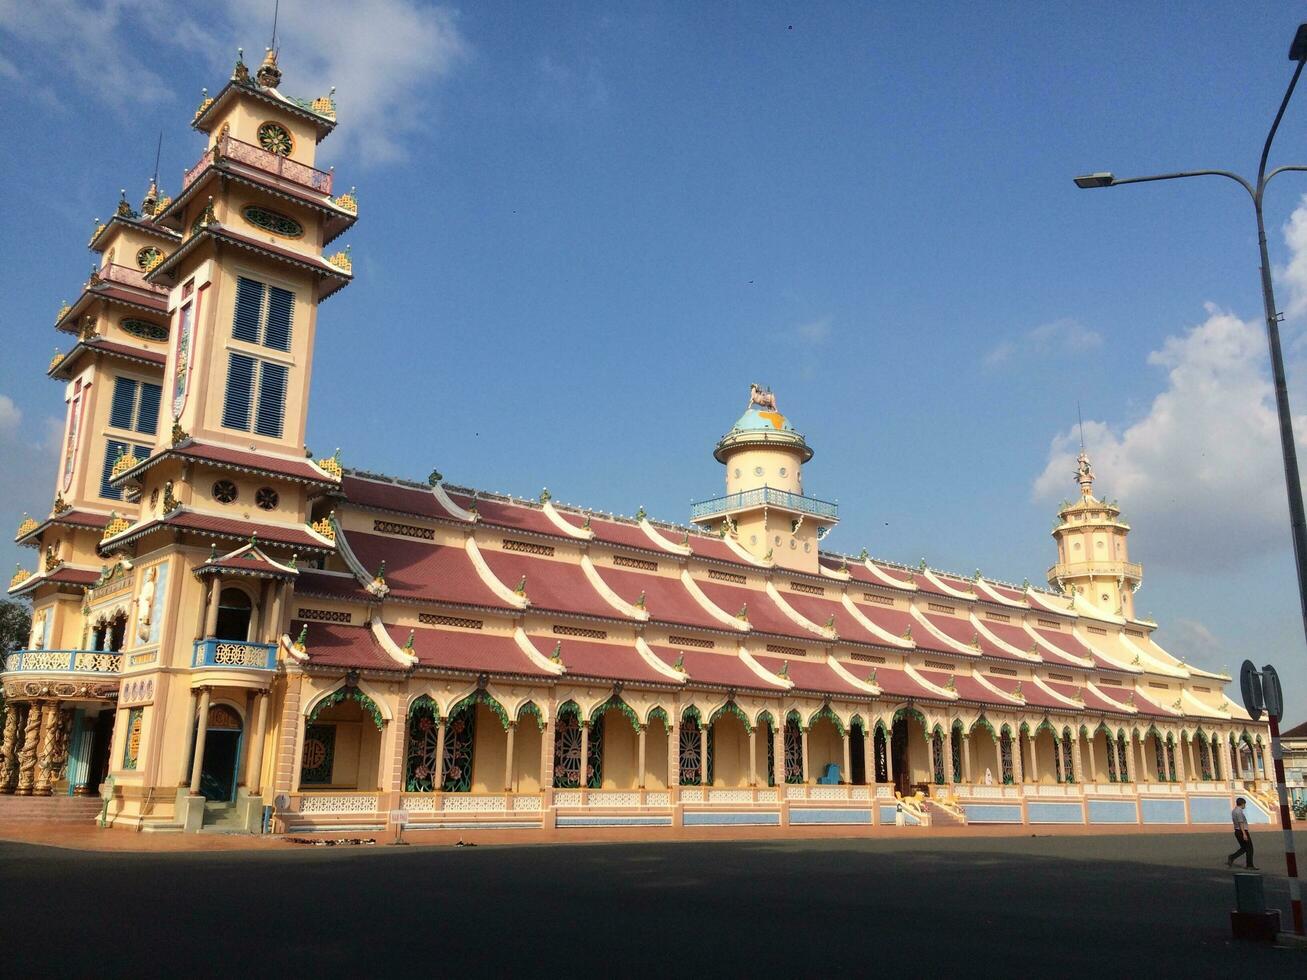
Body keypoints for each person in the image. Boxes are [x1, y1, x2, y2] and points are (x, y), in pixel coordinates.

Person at [1226, 797, 1258, 870]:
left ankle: (1232, 857)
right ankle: (1249, 865)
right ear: (1242, 804)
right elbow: (1241, 823)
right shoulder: (1239, 812)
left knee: (1244, 848)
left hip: (1237, 831)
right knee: (1250, 848)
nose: (1245, 806)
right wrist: (1244, 834)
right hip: (1241, 831)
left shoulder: (1234, 811)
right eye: (1244, 804)